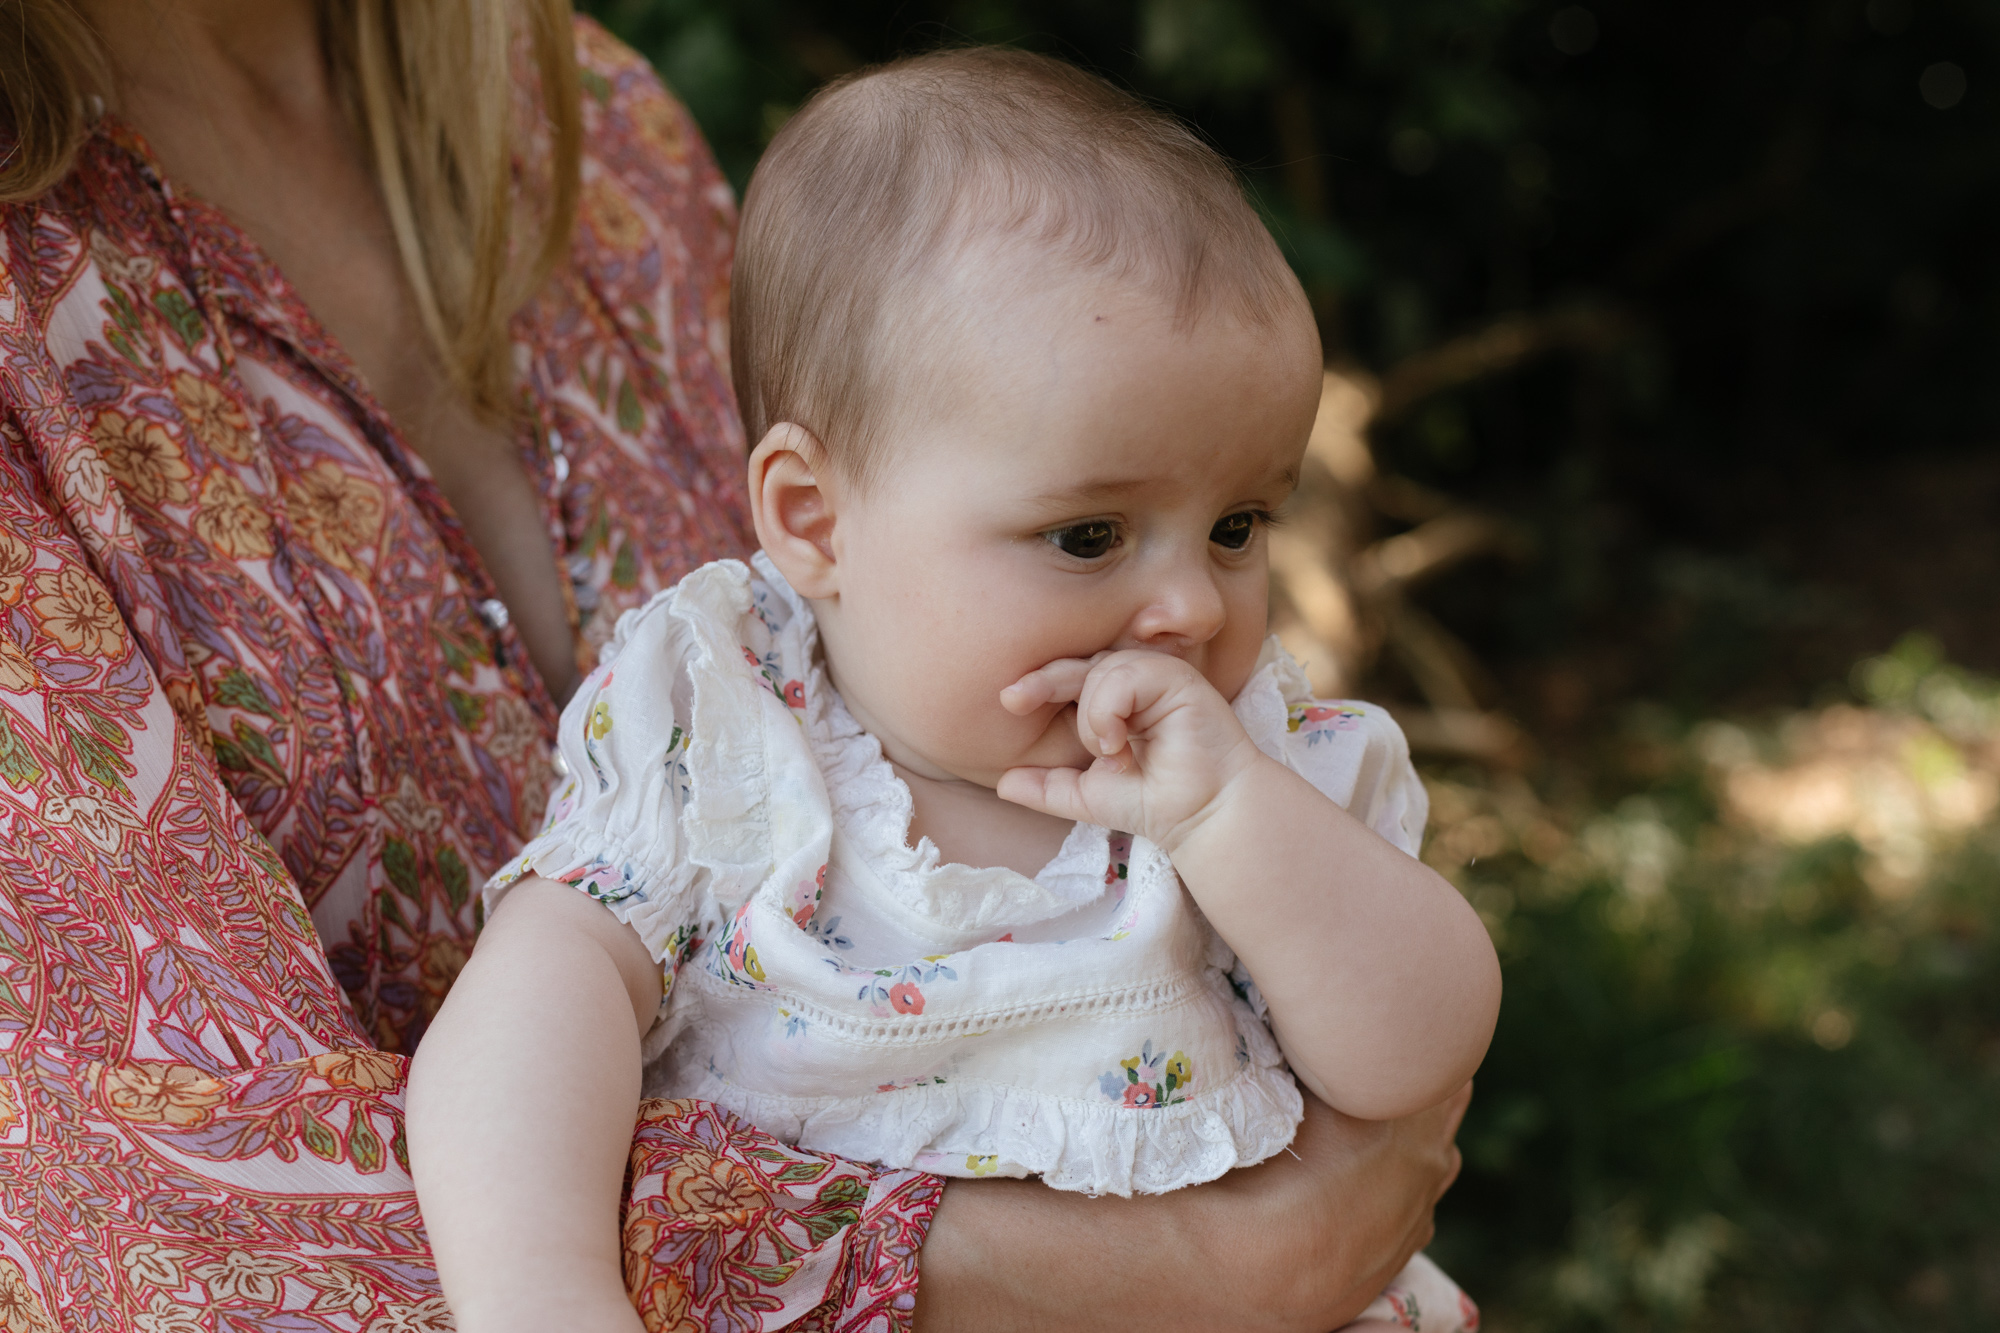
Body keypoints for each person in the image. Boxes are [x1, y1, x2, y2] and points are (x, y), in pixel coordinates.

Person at [409, 47, 1498, 1333]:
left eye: (1237, 524)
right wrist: (542, 1295)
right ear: (813, 520)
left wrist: (1230, 823)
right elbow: (526, 1012)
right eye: (1089, 537)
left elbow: (1417, 1054)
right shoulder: (725, 734)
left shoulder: (1248, 755)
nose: (1196, 608)